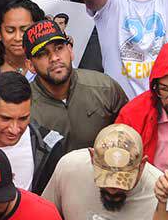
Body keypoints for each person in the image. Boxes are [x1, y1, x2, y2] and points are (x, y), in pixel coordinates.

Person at [24, 20, 127, 153]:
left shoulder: (104, 87)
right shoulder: (24, 106)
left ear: (70, 50)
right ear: (30, 65)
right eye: (42, 54)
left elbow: (130, 135)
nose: (54, 58)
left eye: (59, 48)